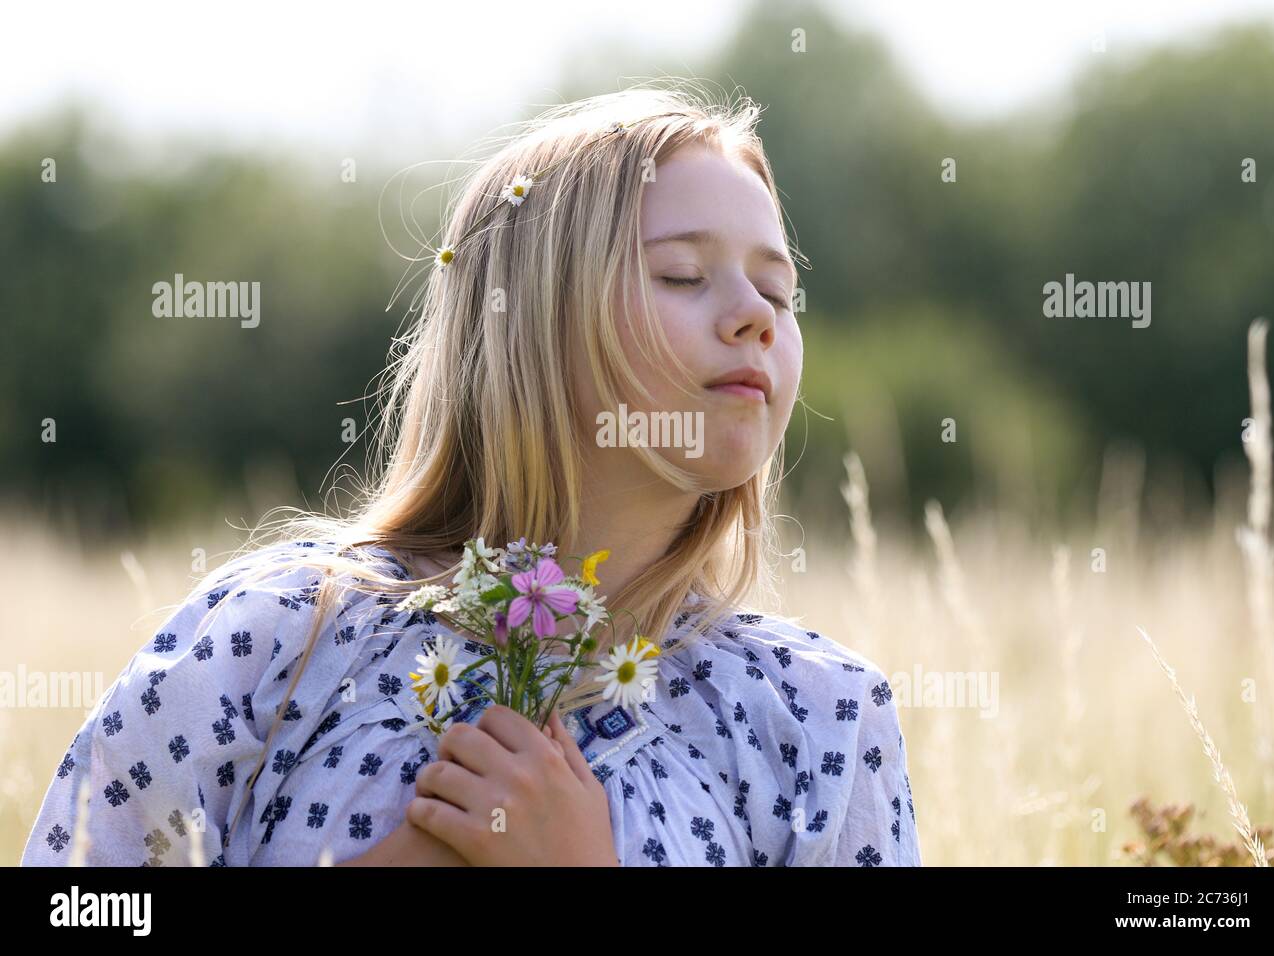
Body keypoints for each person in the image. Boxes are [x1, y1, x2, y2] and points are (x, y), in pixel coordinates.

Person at [21, 82, 920, 866]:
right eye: (683, 275)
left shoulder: (818, 720)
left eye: (780, 293)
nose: (755, 319)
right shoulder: (283, 637)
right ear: (529, 320)